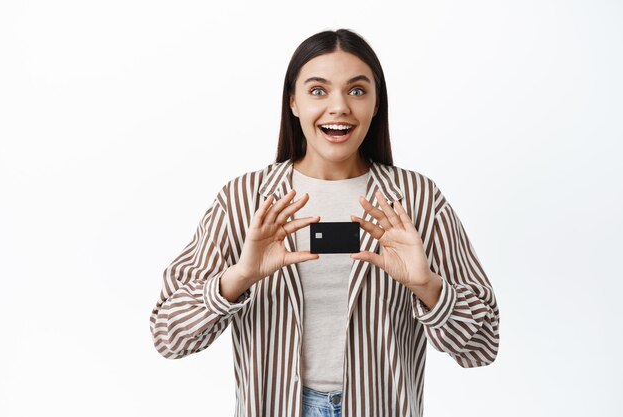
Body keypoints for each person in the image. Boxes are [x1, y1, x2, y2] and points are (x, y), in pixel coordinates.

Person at [149, 28, 500, 417]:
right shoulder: (245, 200)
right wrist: (240, 277)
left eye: (356, 90)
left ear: (376, 103)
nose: (339, 107)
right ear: (293, 102)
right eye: (318, 91)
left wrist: (427, 286)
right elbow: (169, 336)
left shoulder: (416, 199)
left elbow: (483, 344)